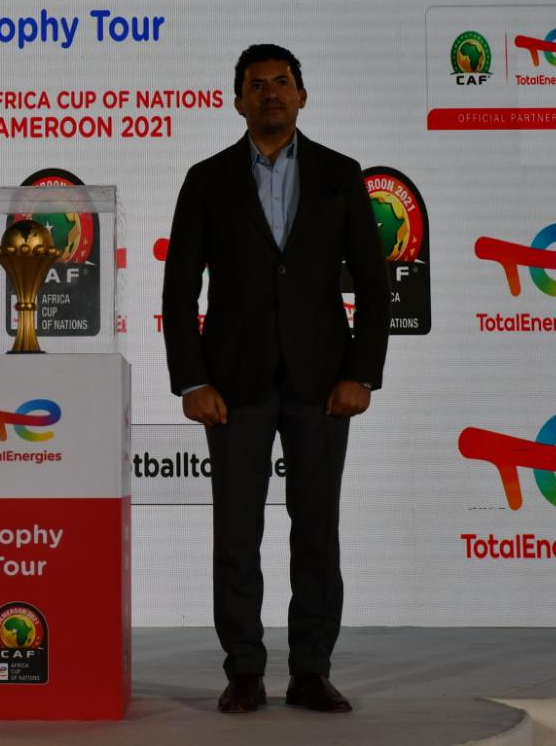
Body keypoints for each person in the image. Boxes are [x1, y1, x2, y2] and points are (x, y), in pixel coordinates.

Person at [161, 44, 389, 714]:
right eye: (257, 84)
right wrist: (192, 380)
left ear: (302, 95)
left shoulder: (340, 174)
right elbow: (179, 290)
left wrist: (361, 373)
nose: (271, 93)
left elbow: (374, 285)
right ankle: (244, 670)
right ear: (238, 101)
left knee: (317, 530)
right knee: (236, 535)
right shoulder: (206, 179)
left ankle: (311, 670)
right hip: (232, 385)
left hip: (324, 384)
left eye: (282, 82)